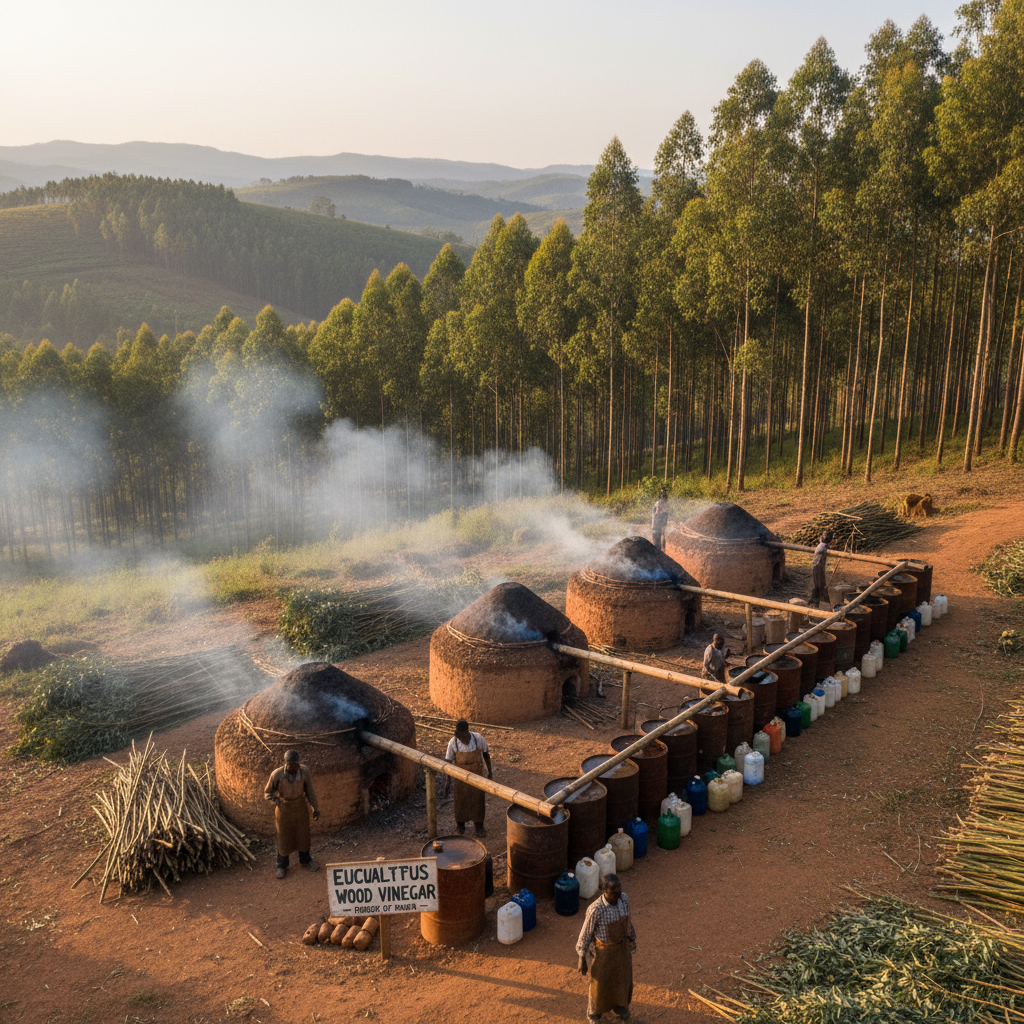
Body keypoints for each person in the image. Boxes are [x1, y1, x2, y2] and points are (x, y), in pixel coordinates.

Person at [576, 873, 636, 1022]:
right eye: (612, 888)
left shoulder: (624, 899)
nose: (617, 890)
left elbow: (628, 921)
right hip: (603, 954)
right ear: (604, 889)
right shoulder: (595, 909)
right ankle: (594, 1015)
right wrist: (581, 957)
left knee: (622, 981)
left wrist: (631, 940)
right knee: (599, 985)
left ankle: (620, 1008)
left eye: (618, 886)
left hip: (622, 950)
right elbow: (585, 934)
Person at [264, 749, 320, 878]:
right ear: (285, 763)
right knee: (283, 837)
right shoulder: (277, 774)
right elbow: (267, 792)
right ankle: (281, 865)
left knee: (303, 835)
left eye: (296, 764)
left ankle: (306, 860)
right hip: (284, 809)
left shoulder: (304, 771)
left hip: (300, 808)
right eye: (291, 765)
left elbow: (309, 791)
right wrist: (277, 801)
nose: (294, 767)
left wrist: (315, 808)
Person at [443, 719, 492, 835]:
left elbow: (486, 754)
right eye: (458, 736)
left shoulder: (477, 739)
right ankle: (460, 827)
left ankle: (479, 827)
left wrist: (490, 771)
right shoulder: (453, 742)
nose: (461, 738)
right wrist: (447, 782)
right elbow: (448, 763)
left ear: (467, 732)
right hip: (460, 779)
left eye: (462, 736)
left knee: (478, 801)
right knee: (461, 802)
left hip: (477, 777)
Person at [810, 530, 832, 609]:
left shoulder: (823, 545)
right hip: (817, 566)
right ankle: (817, 600)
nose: (823, 536)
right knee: (819, 583)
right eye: (823, 535)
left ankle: (817, 600)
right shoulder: (823, 545)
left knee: (819, 583)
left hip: (817, 566)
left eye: (825, 535)